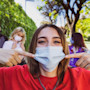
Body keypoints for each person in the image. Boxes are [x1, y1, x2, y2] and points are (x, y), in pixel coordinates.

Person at [0, 24, 90, 90]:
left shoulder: (81, 77)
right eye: (42, 41)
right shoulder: (13, 75)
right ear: (34, 48)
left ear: (63, 48)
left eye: (56, 42)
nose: (49, 47)